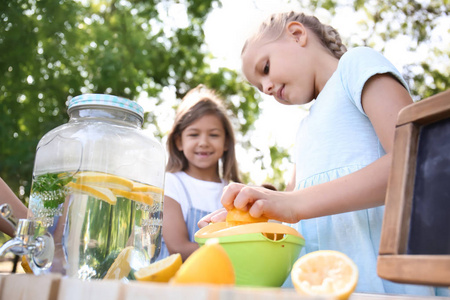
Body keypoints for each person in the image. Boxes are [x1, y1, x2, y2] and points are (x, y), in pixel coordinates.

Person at [199, 11, 449, 296]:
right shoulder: (304, 129)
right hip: (317, 285)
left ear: (297, 34)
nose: (266, 88)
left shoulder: (355, 66)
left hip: (378, 282)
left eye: (265, 68)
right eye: (259, 88)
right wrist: (241, 221)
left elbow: (415, 161)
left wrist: (292, 204)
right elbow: (285, 211)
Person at [157, 85, 241, 262]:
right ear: (179, 141)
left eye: (214, 135)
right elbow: (178, 247)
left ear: (226, 142)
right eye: (194, 134)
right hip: (174, 283)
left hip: (218, 283)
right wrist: (237, 255)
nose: (203, 142)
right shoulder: (171, 184)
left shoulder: (234, 191)